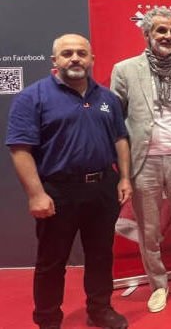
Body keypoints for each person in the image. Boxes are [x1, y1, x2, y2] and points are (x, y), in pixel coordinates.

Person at [6, 34, 132, 329]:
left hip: (102, 188)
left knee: (100, 255)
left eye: (81, 53)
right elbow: (20, 149)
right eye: (67, 53)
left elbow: (120, 139)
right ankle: (48, 319)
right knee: (52, 261)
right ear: (55, 60)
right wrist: (36, 194)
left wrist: (125, 178)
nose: (75, 58)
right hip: (57, 191)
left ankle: (100, 310)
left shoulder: (107, 98)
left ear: (91, 59)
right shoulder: (32, 97)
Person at [110, 7, 171, 312]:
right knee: (149, 230)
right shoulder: (124, 70)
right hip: (144, 162)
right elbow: (115, 120)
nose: (167, 36)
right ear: (147, 34)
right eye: (161, 30)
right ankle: (159, 285)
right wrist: (123, 167)